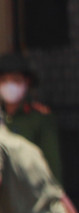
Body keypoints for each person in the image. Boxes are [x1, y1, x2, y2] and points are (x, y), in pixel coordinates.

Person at [0, 53, 61, 185]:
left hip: (30, 193)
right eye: (4, 80)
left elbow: (52, 166)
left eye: (15, 80)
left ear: (26, 82)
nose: (9, 85)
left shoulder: (39, 118)